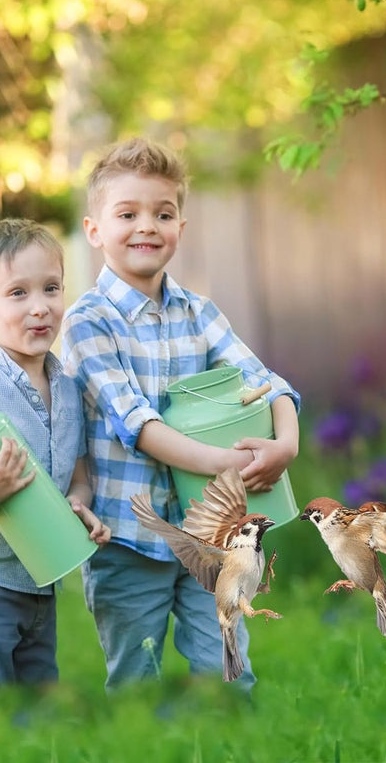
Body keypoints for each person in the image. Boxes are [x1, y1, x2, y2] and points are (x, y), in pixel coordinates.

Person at [61, 137, 300, 691]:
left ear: (180, 228)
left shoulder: (199, 312)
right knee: (135, 681)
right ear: (94, 230)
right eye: (127, 214)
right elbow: (137, 424)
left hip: (211, 537)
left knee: (227, 670)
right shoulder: (87, 321)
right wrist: (225, 464)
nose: (147, 226)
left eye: (163, 214)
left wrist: (285, 444)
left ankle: (227, 735)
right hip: (127, 540)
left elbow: (266, 382)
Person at [0, 218, 111, 698]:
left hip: (41, 584)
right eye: (18, 293)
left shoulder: (67, 386)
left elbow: (78, 472)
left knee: (39, 712)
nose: (40, 306)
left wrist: (79, 505)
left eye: (51, 288)